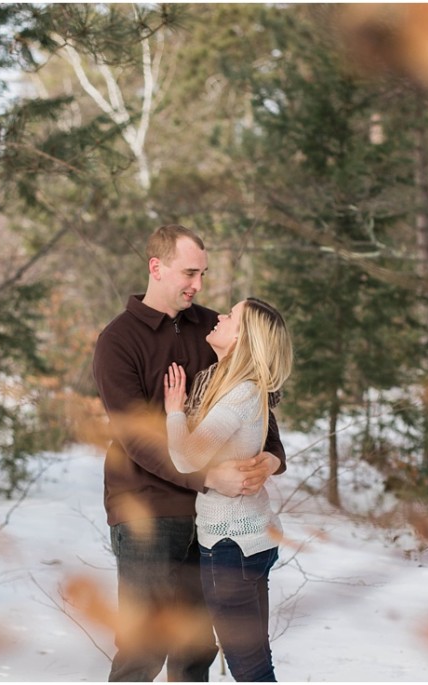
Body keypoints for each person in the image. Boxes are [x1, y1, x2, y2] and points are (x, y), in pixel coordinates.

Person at [92, 224, 287, 682]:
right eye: (189, 273)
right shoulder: (118, 342)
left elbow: (257, 397)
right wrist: (207, 478)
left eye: (203, 274)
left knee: (195, 651)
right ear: (156, 268)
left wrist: (272, 456)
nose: (198, 286)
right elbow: (138, 438)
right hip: (147, 512)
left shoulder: (215, 327)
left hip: (213, 521)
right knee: (143, 651)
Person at [163, 297, 293, 683]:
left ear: (243, 337)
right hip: (251, 542)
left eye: (231, 316)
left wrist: (174, 410)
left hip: (230, 548)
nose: (220, 316)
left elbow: (185, 458)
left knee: (250, 670)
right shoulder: (245, 389)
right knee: (257, 665)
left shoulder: (238, 394)